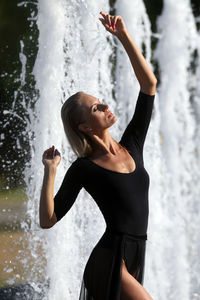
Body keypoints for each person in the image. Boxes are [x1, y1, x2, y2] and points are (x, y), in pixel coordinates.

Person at [39, 11, 157, 300]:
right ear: (84, 127)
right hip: (109, 259)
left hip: (136, 252)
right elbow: (48, 219)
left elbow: (149, 85)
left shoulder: (132, 145)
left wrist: (123, 36)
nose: (105, 106)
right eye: (96, 108)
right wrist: (50, 171)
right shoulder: (85, 168)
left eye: (101, 102)